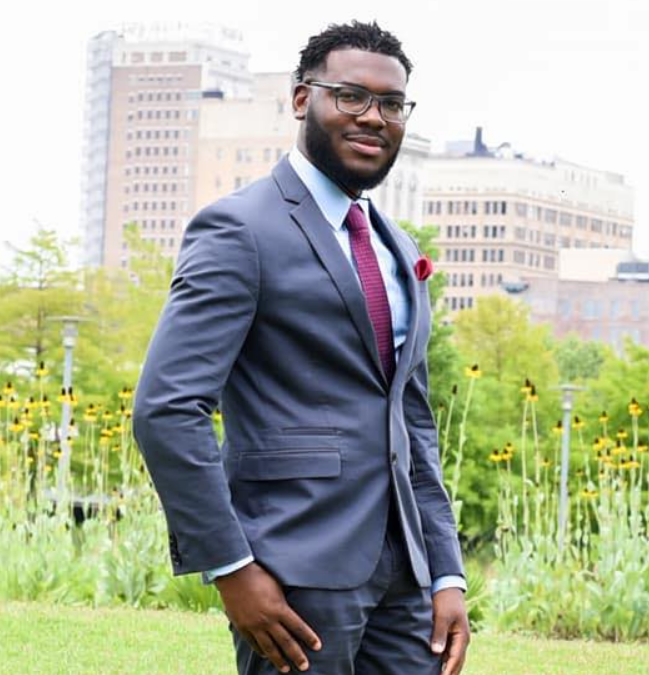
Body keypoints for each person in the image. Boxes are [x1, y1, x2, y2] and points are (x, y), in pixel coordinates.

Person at [132, 20, 469, 675]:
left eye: (392, 104)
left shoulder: (397, 246)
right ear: (300, 100)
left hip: (406, 580)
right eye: (350, 96)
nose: (373, 116)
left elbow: (412, 424)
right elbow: (168, 408)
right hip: (292, 572)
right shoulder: (240, 229)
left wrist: (445, 569)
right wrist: (231, 566)